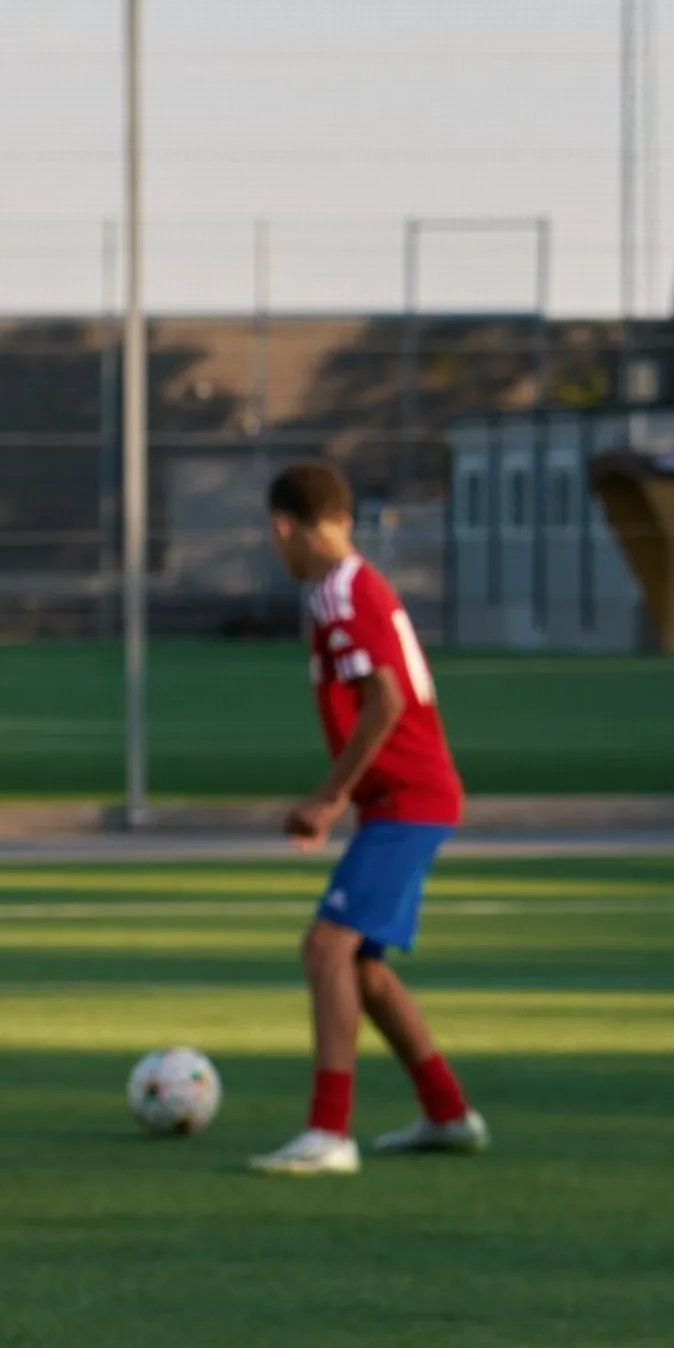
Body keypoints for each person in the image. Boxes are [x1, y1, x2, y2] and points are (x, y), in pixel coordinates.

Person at [248, 463, 491, 1177]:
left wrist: (328, 798)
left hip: (409, 800)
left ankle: (329, 1131)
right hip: (406, 800)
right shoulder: (350, 587)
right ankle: (448, 1113)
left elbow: (384, 700)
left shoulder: (339, 593)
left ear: (283, 527)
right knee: (364, 970)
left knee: (325, 949)